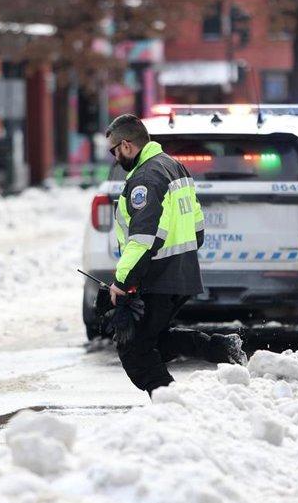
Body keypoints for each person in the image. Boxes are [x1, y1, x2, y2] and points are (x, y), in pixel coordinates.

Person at [102, 114, 246, 397]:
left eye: (114, 150)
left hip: (157, 276)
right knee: (153, 339)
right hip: (180, 273)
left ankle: (171, 404)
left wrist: (122, 281)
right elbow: (197, 227)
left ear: (127, 145)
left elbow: (143, 239)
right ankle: (221, 348)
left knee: (136, 351)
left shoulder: (145, 178)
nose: (115, 158)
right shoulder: (172, 166)